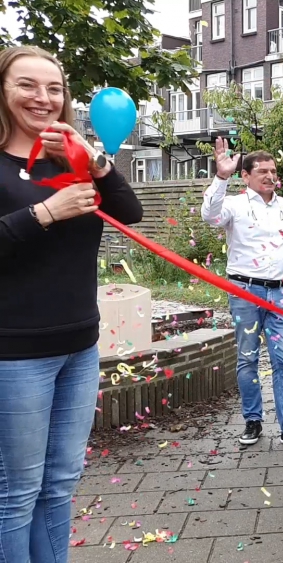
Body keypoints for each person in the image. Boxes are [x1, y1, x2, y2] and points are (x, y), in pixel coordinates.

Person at [0, 46, 143, 562]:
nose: (42, 98)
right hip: (15, 354)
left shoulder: (71, 162)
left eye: (53, 88)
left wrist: (94, 158)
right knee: (16, 494)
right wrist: (44, 212)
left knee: (59, 484)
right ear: (3, 90)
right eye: (27, 85)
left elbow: (130, 211)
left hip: (79, 347)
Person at [201, 139, 283, 446]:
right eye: (261, 171)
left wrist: (279, 261)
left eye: (273, 171)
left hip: (280, 294)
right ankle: (253, 420)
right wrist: (221, 177)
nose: (269, 176)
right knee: (248, 359)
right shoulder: (234, 205)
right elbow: (209, 217)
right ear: (246, 176)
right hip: (244, 292)